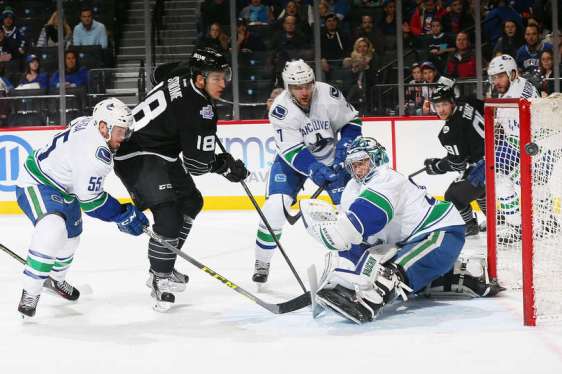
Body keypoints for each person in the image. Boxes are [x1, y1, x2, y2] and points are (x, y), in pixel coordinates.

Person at [300, 137, 497, 324]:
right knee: (396, 273)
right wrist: (339, 276)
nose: (358, 169)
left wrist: (337, 233)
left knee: (391, 275)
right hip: (410, 242)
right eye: (353, 165)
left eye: (362, 162)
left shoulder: (386, 178)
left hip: (442, 232)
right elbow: (358, 241)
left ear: (376, 159)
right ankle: (459, 276)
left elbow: (368, 217)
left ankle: (372, 299)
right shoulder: (352, 189)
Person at [113, 48, 249, 311]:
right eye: (216, 79)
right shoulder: (201, 111)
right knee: (169, 216)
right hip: (137, 153)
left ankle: (165, 261)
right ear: (200, 79)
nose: (223, 84)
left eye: (224, 76)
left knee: (191, 202)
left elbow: (157, 74)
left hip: (161, 152)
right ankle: (160, 277)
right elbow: (197, 165)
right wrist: (225, 166)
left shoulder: (182, 70)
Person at [14, 98, 148, 318]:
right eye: (121, 131)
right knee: (52, 230)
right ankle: (31, 291)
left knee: (71, 239)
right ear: (104, 127)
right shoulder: (96, 156)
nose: (123, 137)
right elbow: (91, 202)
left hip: (65, 187)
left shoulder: (90, 122)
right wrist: (122, 214)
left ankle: (56, 281)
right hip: (37, 182)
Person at [252, 59, 362, 284]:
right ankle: (262, 261)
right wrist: (314, 169)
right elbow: (293, 151)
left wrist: (345, 146)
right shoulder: (280, 110)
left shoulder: (328, 94)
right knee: (275, 207)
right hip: (294, 162)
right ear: (288, 87)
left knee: (348, 210)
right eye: (297, 87)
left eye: (308, 85)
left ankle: (353, 263)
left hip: (332, 156)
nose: (304, 91)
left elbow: (352, 122)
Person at [486, 54, 553, 244]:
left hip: (536, 146)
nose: (496, 81)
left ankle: (528, 224)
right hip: (520, 145)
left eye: (500, 76)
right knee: (502, 180)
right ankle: (529, 223)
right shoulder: (514, 87)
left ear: (512, 73)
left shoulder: (519, 95)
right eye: (494, 77)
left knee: (530, 182)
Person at [423, 86, 486, 236]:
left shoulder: (449, 132)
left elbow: (458, 163)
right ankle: (496, 220)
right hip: (501, 155)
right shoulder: (467, 102)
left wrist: (437, 166)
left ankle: (470, 225)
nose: (441, 110)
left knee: (452, 195)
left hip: (486, 167)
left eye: (444, 104)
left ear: (452, 103)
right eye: (437, 106)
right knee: (472, 183)